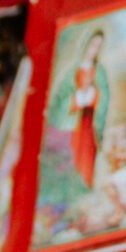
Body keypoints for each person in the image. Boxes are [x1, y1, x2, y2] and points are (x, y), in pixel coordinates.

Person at [51, 26, 112, 187]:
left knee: (86, 162)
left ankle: (86, 187)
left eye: (99, 47)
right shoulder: (72, 71)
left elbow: (104, 98)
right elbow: (59, 100)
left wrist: (94, 95)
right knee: (70, 162)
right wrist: (77, 99)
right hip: (72, 127)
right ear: (86, 44)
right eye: (93, 45)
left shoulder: (100, 72)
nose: (95, 50)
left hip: (89, 126)